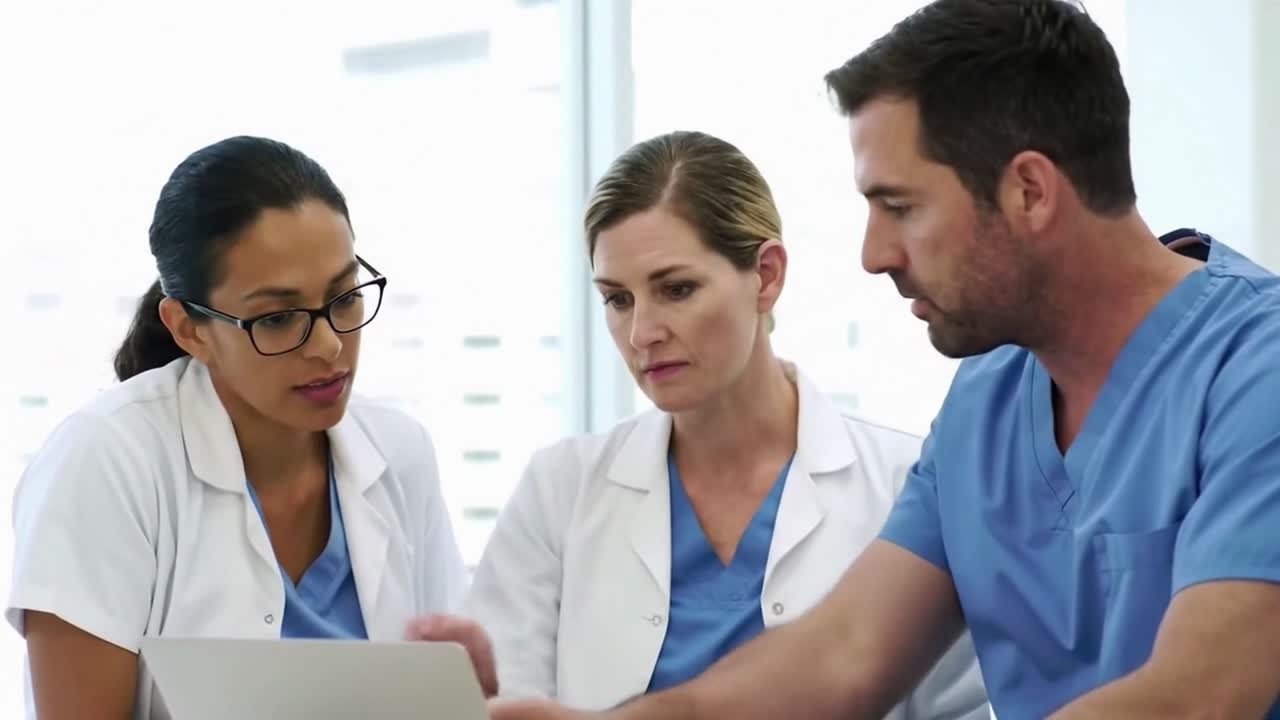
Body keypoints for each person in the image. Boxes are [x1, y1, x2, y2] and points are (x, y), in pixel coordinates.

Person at [487, 1, 1280, 718]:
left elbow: (1199, 698)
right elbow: (845, 653)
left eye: (899, 207)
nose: (874, 255)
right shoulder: (988, 400)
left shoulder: (1257, 366)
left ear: (1030, 191)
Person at [460, 130, 986, 717]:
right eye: (618, 299)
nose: (642, 334)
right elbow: (509, 703)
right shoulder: (560, 489)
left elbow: (955, 712)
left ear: (766, 275)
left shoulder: (902, 485)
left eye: (676, 289)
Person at [5, 136, 484, 719]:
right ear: (189, 329)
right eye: (279, 319)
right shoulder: (105, 461)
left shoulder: (399, 450)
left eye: (344, 298)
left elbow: (455, 697)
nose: (330, 346)